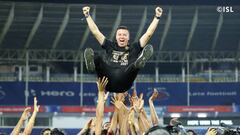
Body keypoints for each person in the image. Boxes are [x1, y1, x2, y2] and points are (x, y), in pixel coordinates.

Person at [82, 6, 163, 93]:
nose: (122, 36)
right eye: (119, 34)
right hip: (107, 81)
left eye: (124, 35)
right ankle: (91, 65)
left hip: (124, 81)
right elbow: (95, 32)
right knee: (97, 58)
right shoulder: (110, 45)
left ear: (128, 38)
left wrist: (157, 17)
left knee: (134, 66)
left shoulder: (134, 47)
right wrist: (87, 16)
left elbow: (148, 34)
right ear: (116, 37)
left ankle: (140, 62)